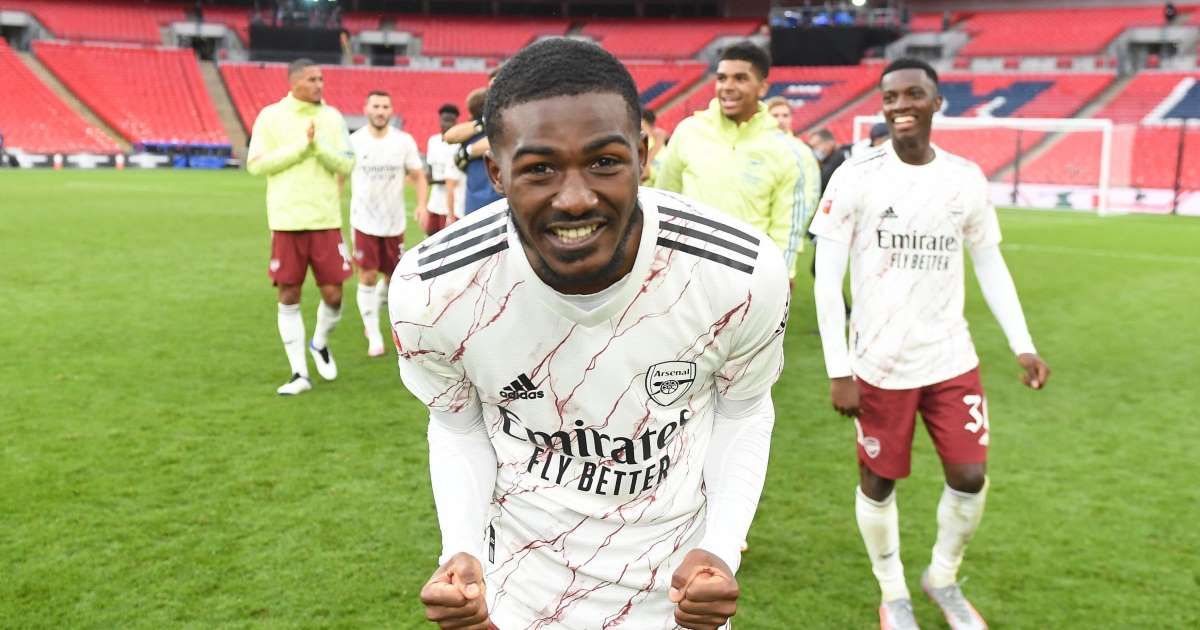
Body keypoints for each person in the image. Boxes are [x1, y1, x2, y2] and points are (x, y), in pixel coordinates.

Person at [391, 37, 790, 629]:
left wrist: (723, 547)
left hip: (681, 597)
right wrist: (460, 548)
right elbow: (457, 425)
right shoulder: (434, 290)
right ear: (496, 173)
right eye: (539, 169)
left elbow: (744, 411)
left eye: (604, 161)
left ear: (643, 156)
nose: (575, 198)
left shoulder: (737, 272)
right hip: (518, 593)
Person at [809, 58, 1051, 630]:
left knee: (970, 476)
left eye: (913, 94)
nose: (900, 105)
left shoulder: (964, 178)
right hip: (878, 361)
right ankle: (892, 592)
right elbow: (826, 277)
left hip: (950, 357)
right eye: (890, 96)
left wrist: (1023, 343)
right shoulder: (857, 176)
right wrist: (837, 368)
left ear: (936, 102)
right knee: (879, 480)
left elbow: (989, 264)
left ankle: (941, 577)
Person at [654, 41, 810, 279]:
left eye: (740, 78)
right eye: (722, 78)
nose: (727, 86)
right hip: (688, 274)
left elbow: (786, 226)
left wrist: (782, 275)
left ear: (762, 88)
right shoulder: (688, 132)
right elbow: (666, 201)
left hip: (749, 278)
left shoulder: (783, 149)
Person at [247, 58, 355, 396]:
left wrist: (317, 147)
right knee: (288, 293)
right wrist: (300, 148)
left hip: (325, 218)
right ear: (294, 82)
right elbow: (256, 164)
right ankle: (299, 374)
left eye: (321, 79)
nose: (319, 84)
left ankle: (319, 342)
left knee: (334, 294)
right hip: (286, 219)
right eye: (312, 79)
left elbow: (347, 163)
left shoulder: (332, 117)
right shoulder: (271, 116)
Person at [348, 90, 428, 358]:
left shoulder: (403, 141)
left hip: (393, 221)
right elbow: (339, 177)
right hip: (363, 220)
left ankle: (373, 311)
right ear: (366, 109)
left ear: (391, 111)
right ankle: (373, 332)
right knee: (367, 274)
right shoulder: (354, 142)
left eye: (385, 106)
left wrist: (421, 204)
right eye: (376, 106)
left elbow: (418, 175)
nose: (380, 111)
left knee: (392, 278)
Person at [458, 87, 503, 214]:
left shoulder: (467, 134)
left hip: (473, 203)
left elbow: (450, 136)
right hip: (496, 202)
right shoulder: (496, 131)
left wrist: (467, 151)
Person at [425, 103, 466, 234]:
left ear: (456, 122)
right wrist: (428, 176)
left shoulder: (460, 145)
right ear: (439, 120)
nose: (447, 124)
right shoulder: (433, 141)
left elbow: (455, 178)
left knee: (446, 241)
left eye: (451, 121)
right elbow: (430, 167)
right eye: (444, 120)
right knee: (430, 234)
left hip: (452, 203)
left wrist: (437, 180)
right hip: (434, 200)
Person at [806, 127, 854, 195]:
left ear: (829, 143)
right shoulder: (827, 159)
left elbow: (820, 183)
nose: (814, 150)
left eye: (816, 146)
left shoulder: (840, 157)